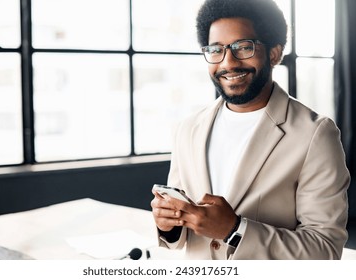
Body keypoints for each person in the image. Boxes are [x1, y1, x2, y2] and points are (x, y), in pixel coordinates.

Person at [150, 0, 350, 260]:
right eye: (216, 50)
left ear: (274, 54)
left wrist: (235, 230)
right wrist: (169, 224)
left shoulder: (316, 134)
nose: (228, 63)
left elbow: (324, 249)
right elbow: (187, 231)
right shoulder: (188, 129)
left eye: (243, 47)